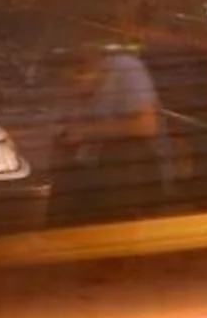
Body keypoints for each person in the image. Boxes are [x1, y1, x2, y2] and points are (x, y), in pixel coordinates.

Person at [48, 38, 172, 234]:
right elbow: (60, 129)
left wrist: (86, 132)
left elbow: (146, 126)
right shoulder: (67, 82)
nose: (72, 81)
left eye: (79, 73)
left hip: (131, 175)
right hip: (90, 171)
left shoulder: (126, 69)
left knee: (125, 153)